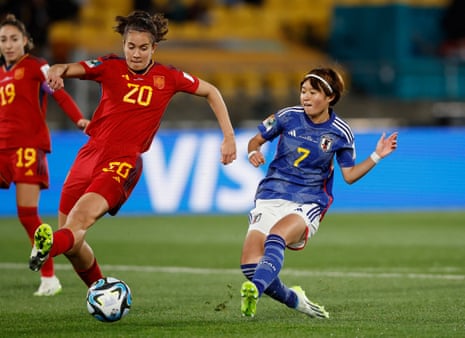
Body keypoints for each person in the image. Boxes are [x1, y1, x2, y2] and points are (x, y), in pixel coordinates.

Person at [28, 10, 237, 288]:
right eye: (130, 47)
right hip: (89, 155)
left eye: (142, 48)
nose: (136, 54)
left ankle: (47, 247)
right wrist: (56, 70)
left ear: (154, 48)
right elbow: (68, 68)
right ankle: (101, 290)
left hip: (123, 161)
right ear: (123, 45)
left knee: (78, 222)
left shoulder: (168, 76)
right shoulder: (109, 66)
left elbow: (211, 90)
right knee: (72, 240)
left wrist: (229, 137)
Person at [239, 67, 398, 318]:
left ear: (330, 97)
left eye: (313, 92)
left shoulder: (341, 132)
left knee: (277, 237)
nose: (306, 97)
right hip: (271, 194)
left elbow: (349, 175)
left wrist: (377, 155)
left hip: (308, 201)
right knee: (250, 266)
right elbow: (255, 140)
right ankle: (294, 299)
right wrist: (252, 152)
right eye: (303, 91)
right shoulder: (286, 116)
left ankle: (254, 291)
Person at [0, 14, 89, 296]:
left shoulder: (37, 66)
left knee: (27, 214)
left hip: (28, 146)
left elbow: (58, 91)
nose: (9, 44)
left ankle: (49, 278)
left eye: (14, 39)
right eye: (3, 40)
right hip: (1, 148)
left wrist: (79, 120)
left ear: (26, 41)